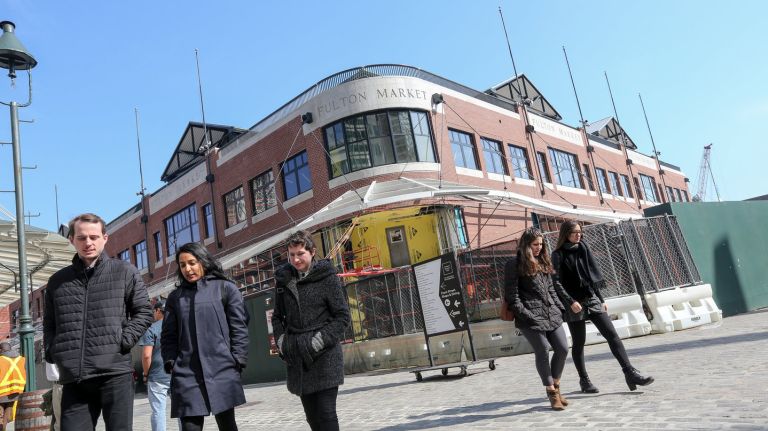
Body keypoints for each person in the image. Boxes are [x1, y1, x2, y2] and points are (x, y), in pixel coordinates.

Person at [43, 213, 153, 431]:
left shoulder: (124, 272)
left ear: (105, 238)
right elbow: (49, 323)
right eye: (82, 238)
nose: (88, 243)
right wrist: (53, 351)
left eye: (94, 237)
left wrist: (122, 341)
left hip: (114, 373)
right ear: (71, 240)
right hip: (75, 379)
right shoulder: (57, 282)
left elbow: (144, 312)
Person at [552, 220, 654, 393]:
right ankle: (584, 381)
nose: (579, 235)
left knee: (612, 335)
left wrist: (601, 299)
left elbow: (591, 277)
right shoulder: (558, 254)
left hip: (591, 298)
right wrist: (570, 302)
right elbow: (556, 282)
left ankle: (630, 372)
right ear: (566, 234)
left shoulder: (583, 248)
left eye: (580, 232)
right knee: (579, 342)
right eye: (575, 232)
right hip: (573, 303)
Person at [161, 242, 249, 431]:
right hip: (186, 373)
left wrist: (238, 358)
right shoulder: (175, 298)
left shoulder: (226, 288)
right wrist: (171, 361)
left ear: (203, 261)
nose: (188, 269)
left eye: (192, 262)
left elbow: (239, 328)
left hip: (222, 368)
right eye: (183, 265)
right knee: (190, 427)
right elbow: (168, 335)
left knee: (227, 425)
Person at [272, 230, 351, 431]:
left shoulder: (327, 277)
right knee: (313, 419)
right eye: (291, 255)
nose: (295, 259)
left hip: (324, 357)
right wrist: (283, 343)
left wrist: (318, 341)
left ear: (312, 251)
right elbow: (277, 318)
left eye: (300, 253)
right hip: (298, 358)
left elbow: (342, 316)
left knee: (326, 415)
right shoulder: (283, 281)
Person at [504, 228, 569, 410]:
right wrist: (528, 315)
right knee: (543, 349)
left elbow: (551, 290)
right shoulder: (513, 264)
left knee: (563, 349)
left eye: (541, 244)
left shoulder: (543, 261)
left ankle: (556, 385)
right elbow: (512, 297)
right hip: (529, 317)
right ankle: (551, 393)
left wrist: (560, 308)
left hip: (551, 313)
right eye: (535, 244)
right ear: (526, 245)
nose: (539, 248)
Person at [139, 301, 172, 431]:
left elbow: (147, 355)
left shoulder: (152, 329)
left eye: (154, 311)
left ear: (158, 311)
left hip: (157, 376)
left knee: (158, 411)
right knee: (182, 410)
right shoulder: (178, 326)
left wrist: (145, 375)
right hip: (178, 374)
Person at [0, 342, 25, 430]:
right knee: (9, 411)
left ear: (1, 350)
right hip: (15, 390)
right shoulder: (20, 359)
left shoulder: (1, 359)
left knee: (1, 412)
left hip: (2, 391)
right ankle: (6, 428)